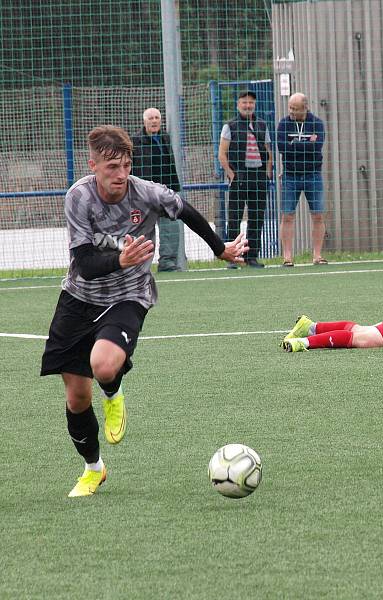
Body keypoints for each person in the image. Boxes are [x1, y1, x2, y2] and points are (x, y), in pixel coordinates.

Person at [41, 126, 248, 497]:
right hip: (78, 297)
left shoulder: (147, 192)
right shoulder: (78, 198)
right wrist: (121, 258)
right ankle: (93, 469)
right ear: (93, 166)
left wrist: (220, 249)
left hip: (129, 294)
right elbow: (84, 263)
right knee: (76, 396)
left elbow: (186, 210)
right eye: (111, 167)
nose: (120, 174)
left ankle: (114, 391)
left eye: (125, 165)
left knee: (104, 365)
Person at [218, 90, 273, 268]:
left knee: (256, 218)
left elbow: (268, 150)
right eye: (244, 102)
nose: (248, 105)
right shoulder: (230, 126)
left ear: (254, 105)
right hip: (239, 176)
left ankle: (252, 257)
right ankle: (233, 258)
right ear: (238, 104)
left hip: (258, 177)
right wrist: (231, 173)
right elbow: (222, 154)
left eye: (251, 102)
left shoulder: (262, 125)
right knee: (234, 218)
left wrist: (268, 171)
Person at [276, 92, 326, 266]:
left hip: (313, 174)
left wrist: (294, 145)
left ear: (305, 108)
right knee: (287, 216)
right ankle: (287, 256)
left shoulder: (317, 124)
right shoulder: (283, 124)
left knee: (318, 215)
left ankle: (317, 255)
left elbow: (317, 147)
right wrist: (306, 143)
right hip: (290, 175)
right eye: (290, 107)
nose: (291, 111)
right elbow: (282, 148)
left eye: (295, 109)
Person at [131, 107, 185, 271]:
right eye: (151, 118)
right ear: (144, 121)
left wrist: (174, 188)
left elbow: (171, 165)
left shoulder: (165, 139)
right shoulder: (135, 142)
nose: (154, 121)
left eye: (157, 118)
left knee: (171, 228)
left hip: (165, 191)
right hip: (144, 194)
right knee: (141, 231)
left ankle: (168, 263)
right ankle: (138, 265)